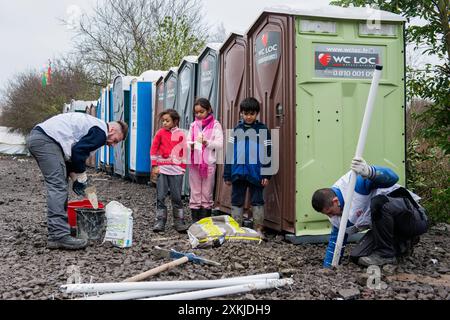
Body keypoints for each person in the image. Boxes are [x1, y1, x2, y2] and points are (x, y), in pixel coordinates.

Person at [26, 112, 128, 250]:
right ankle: (58, 236)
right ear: (112, 130)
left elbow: (72, 156)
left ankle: (61, 229)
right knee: (57, 186)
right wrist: (81, 177)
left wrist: (75, 178)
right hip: (47, 140)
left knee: (61, 184)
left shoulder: (92, 127)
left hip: (43, 138)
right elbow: (78, 152)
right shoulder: (101, 132)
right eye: (115, 140)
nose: (112, 145)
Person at [312, 158, 428, 268]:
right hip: (393, 228)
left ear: (335, 201)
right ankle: (402, 244)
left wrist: (369, 172)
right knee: (358, 255)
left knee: (379, 202)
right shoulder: (337, 215)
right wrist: (328, 268)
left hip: (413, 218)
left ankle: (385, 254)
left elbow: (393, 177)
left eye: (330, 212)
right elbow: (336, 241)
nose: (331, 216)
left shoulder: (355, 184)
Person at [223, 97, 272, 238]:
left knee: (257, 200)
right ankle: (236, 228)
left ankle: (258, 229)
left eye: (252, 113)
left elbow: (269, 152)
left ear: (257, 113)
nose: (248, 116)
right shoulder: (236, 130)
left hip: (257, 173)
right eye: (246, 113)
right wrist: (227, 174)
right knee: (237, 200)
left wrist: (266, 175)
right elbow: (230, 152)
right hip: (238, 173)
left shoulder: (263, 130)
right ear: (241, 113)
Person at [150, 109, 188, 233]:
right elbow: (153, 149)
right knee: (160, 196)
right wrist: (154, 165)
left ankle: (179, 221)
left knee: (177, 197)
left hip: (177, 171)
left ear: (175, 121)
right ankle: (160, 221)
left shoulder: (181, 135)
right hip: (162, 170)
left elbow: (185, 152)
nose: (164, 123)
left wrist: (182, 168)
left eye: (167, 121)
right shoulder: (160, 133)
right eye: (163, 121)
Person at [187, 98, 224, 222]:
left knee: (207, 192)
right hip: (194, 163)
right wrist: (191, 145)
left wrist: (207, 142)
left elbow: (219, 144)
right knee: (195, 190)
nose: (198, 115)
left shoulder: (216, 125)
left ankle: (205, 220)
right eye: (196, 112)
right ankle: (195, 221)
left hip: (208, 163)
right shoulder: (193, 125)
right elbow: (187, 142)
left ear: (209, 110)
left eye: (201, 112)